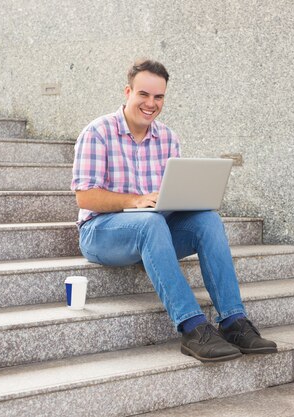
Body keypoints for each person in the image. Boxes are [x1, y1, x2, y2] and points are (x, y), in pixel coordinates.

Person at [71, 59, 276, 363]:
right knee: (149, 224)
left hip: (154, 231)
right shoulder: (98, 132)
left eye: (159, 97)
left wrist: (191, 200)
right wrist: (133, 201)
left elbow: (170, 197)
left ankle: (233, 321)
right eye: (143, 94)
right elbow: (85, 196)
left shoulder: (168, 138)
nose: (150, 104)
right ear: (127, 92)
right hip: (101, 233)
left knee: (207, 220)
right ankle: (192, 328)